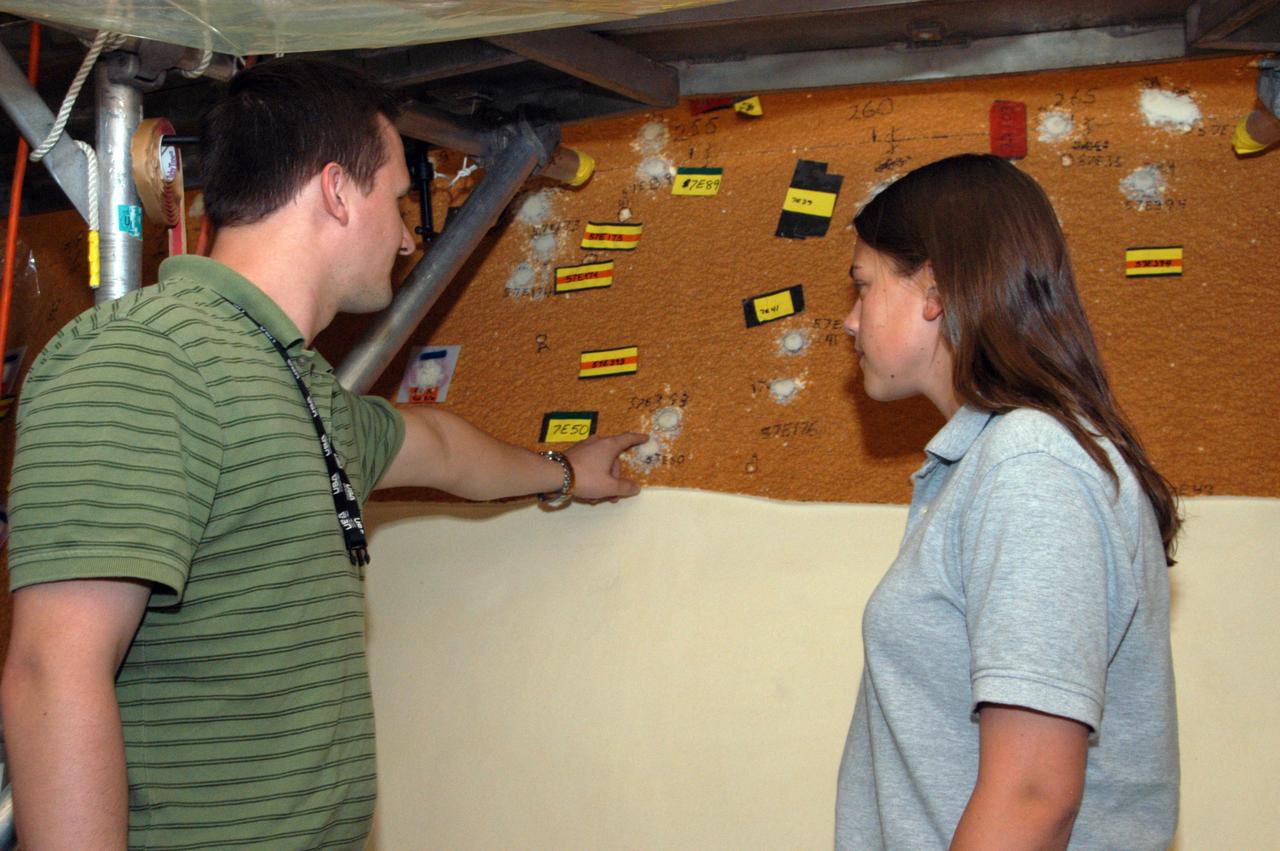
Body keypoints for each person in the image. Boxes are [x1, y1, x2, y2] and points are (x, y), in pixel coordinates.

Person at [1, 58, 645, 849]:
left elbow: (438, 447)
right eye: (399, 201)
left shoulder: (292, 383)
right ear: (337, 191)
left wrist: (564, 472)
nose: (410, 236)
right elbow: (52, 671)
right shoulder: (146, 359)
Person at [834, 154, 1180, 849]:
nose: (848, 322)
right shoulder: (996, 459)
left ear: (933, 287)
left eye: (864, 286)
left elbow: (1033, 797)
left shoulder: (1030, 464)